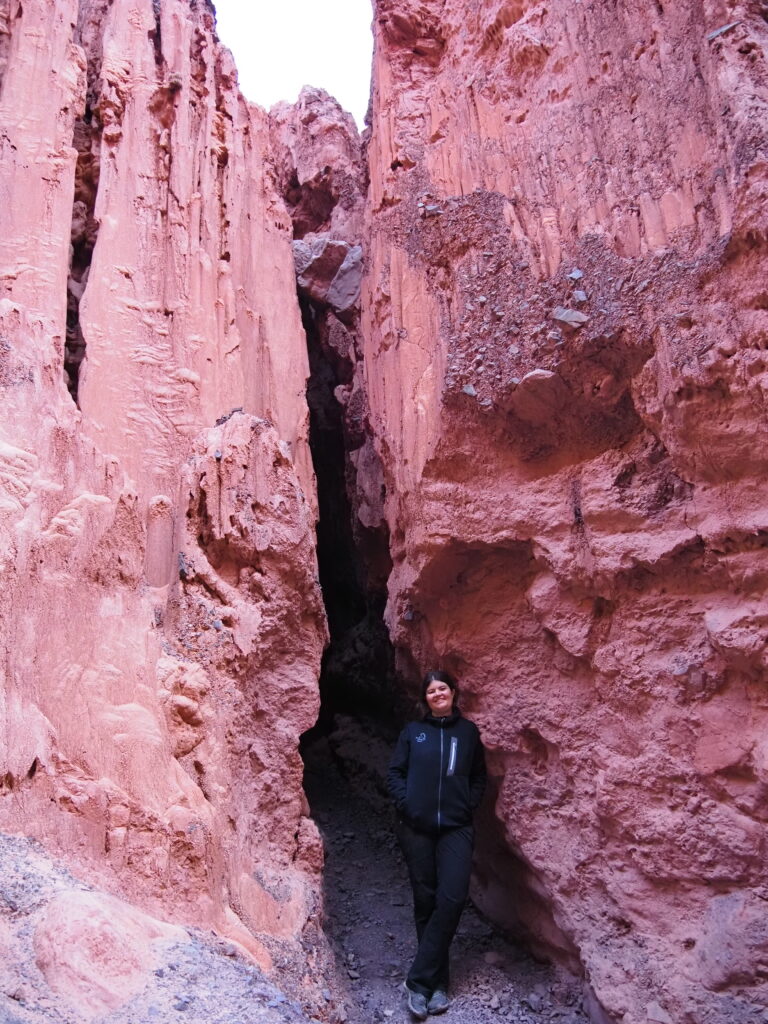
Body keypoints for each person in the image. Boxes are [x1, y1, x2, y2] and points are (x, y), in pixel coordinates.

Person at [387, 670, 487, 1019]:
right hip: (417, 828)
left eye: (442, 687)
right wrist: (407, 803)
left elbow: (478, 776)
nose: (437, 693)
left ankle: (416, 981)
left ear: (454, 692)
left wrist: (468, 803)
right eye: (431, 690)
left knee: (453, 897)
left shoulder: (468, 733)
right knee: (426, 901)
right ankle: (436, 986)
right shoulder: (414, 733)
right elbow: (395, 773)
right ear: (425, 699)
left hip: (456, 828)